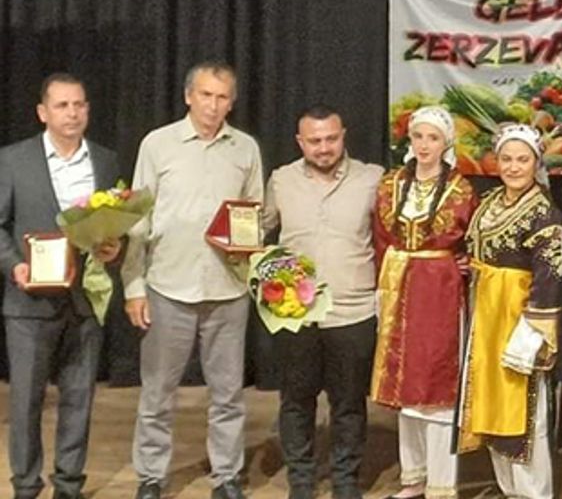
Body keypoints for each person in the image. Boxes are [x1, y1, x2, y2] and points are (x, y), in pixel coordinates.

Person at [121, 61, 264, 499]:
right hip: (168, 287)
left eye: (222, 97)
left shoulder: (245, 148)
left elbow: (255, 215)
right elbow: (137, 220)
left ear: (231, 102)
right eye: (205, 95)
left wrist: (248, 245)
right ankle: (151, 476)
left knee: (228, 394)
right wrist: (134, 287)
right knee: (158, 393)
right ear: (188, 96)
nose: (213, 105)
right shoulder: (157, 144)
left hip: (228, 290)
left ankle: (227, 476)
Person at [0, 73, 122, 499]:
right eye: (62, 105)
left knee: (79, 398)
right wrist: (14, 266)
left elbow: (113, 227)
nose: (72, 113)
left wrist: (113, 248)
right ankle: (26, 485)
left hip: (84, 299)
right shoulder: (13, 160)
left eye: (79, 104)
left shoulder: (105, 161)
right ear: (43, 112)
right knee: (26, 401)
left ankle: (69, 485)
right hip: (28, 303)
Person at [261, 106, 382, 499]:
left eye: (331, 138)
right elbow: (257, 231)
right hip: (296, 313)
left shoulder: (372, 178)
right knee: (296, 401)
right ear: (300, 142)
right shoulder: (281, 180)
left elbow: (395, 236)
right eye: (315, 141)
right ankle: (301, 480)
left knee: (349, 403)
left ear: (343, 135)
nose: (324, 148)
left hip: (354, 310)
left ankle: (346, 480)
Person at [371, 106, 477, 499]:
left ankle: (441, 483)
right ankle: (413, 477)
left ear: (446, 142)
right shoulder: (391, 184)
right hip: (400, 288)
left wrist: (464, 265)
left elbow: (473, 240)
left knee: (435, 385)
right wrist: (381, 289)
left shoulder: (462, 190)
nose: (424, 145)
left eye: (433, 138)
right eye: (418, 136)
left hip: (439, 292)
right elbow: (381, 238)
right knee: (406, 386)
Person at [457, 124, 562, 499]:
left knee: (524, 411)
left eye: (523, 160)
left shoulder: (545, 215)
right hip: (487, 319)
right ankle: (509, 489)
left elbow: (550, 277)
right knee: (492, 406)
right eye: (507, 159)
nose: (514, 167)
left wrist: (533, 332)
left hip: (519, 320)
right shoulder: (490, 203)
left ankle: (533, 492)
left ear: (536, 164)